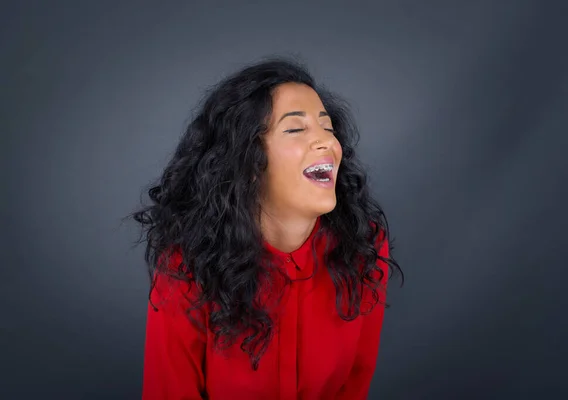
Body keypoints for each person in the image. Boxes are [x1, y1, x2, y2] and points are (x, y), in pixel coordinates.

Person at [129, 57, 403, 400]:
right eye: (295, 129)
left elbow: (354, 386)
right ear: (248, 161)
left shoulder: (364, 246)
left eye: (327, 127)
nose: (326, 143)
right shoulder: (188, 262)